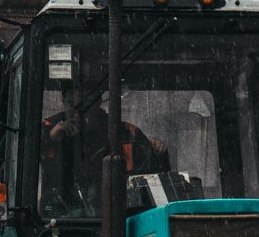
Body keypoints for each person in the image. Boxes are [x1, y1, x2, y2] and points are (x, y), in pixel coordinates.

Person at [41, 83, 169, 213]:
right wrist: (51, 141)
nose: (77, 112)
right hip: (61, 219)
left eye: (86, 105)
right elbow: (34, 170)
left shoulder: (126, 134)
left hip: (119, 216)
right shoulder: (48, 131)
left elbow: (154, 175)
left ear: (98, 102)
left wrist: (158, 151)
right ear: (63, 102)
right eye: (71, 104)